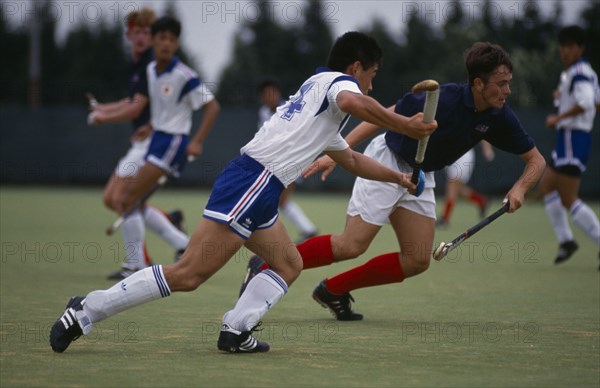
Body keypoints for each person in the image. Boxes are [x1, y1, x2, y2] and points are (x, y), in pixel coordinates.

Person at [49, 31, 436, 354]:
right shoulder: (339, 85)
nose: (372, 83)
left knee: (288, 265)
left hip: (261, 188)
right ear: (356, 67)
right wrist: (404, 124)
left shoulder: (321, 106)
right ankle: (87, 309)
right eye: (372, 74)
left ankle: (235, 330)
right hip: (254, 181)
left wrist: (396, 178)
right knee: (187, 275)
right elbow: (356, 100)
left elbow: (350, 159)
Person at [240, 42, 546, 321]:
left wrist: (520, 187)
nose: (507, 91)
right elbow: (382, 115)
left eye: (508, 84)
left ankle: (332, 290)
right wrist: (338, 152)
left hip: (420, 174)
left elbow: (536, 160)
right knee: (351, 245)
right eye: (501, 84)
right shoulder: (444, 98)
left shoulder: (499, 116)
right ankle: (264, 267)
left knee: (416, 259)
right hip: (388, 159)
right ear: (478, 84)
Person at [87, 8, 189, 279]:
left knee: (123, 200)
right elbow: (133, 101)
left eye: (147, 32)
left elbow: (138, 108)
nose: (142, 37)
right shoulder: (139, 64)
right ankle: (178, 237)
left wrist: (103, 118)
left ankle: (136, 265)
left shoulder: (151, 63)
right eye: (137, 32)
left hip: (152, 143)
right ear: (129, 34)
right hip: (141, 143)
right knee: (114, 199)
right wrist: (105, 109)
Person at [539, 25, 600, 266]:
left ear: (580, 48)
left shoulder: (579, 72)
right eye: (562, 47)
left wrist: (559, 117)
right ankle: (566, 241)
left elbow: (585, 103)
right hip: (572, 139)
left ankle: (581, 239)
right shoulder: (582, 72)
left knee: (569, 198)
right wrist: (563, 100)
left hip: (573, 138)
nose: (564, 51)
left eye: (569, 46)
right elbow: (595, 103)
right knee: (547, 187)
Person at [257, 79, 318, 243]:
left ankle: (306, 231)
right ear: (262, 97)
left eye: (273, 92)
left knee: (278, 201)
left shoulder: (290, 109)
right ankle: (308, 230)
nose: (271, 97)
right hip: (274, 163)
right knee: (280, 201)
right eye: (266, 94)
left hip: (292, 160)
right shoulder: (263, 112)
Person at [436, 141, 494, 228]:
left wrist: (487, 148)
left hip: (462, 155)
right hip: (448, 154)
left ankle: (444, 219)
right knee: (457, 188)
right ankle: (481, 201)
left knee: (452, 186)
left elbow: (482, 128)